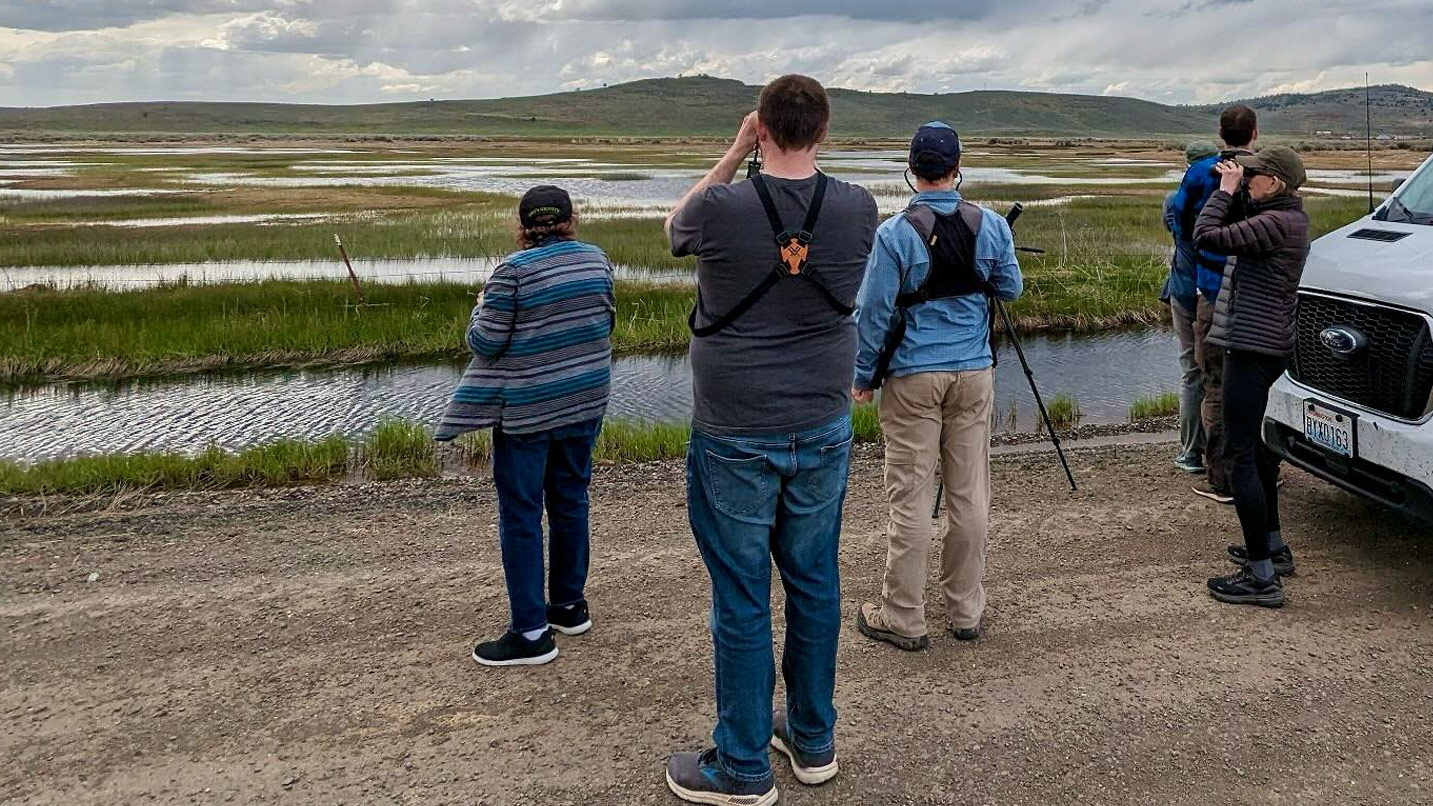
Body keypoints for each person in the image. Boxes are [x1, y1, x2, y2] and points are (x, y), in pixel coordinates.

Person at [662, 74, 878, 806]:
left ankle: (743, 766)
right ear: (822, 129)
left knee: (743, 595)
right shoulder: (858, 205)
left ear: (763, 128)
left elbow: (672, 234)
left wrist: (732, 150)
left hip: (734, 427)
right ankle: (811, 741)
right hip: (820, 420)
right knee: (814, 580)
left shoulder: (722, 206)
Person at [848, 121, 1023, 651]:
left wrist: (862, 377)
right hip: (974, 373)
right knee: (970, 494)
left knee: (910, 498)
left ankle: (904, 616)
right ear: (956, 168)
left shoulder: (895, 234)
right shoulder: (991, 225)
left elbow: (872, 313)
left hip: (912, 377)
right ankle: (966, 610)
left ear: (912, 171)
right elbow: (1010, 288)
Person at [434, 185, 616, 666]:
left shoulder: (511, 272)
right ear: (571, 220)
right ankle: (569, 607)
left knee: (520, 513)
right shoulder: (597, 260)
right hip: (585, 401)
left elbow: (485, 343)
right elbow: (605, 321)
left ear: (522, 227)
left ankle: (532, 634)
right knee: (571, 499)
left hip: (528, 411)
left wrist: (479, 304)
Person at [1193, 145, 1310, 607]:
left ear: (1275, 183)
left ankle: (1262, 578)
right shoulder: (1287, 219)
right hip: (1268, 344)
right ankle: (1273, 548)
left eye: (1254, 176)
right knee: (1259, 451)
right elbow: (1238, 225)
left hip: (1252, 347)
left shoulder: (1276, 225)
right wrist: (1239, 187)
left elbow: (1207, 234)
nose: (1247, 181)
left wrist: (1222, 190)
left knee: (1238, 452)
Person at [1169, 105, 1259, 504]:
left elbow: (1189, 228)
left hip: (1209, 287)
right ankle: (1257, 470)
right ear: (1254, 133)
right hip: (1259, 290)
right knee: (1256, 381)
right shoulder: (1269, 171)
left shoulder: (1200, 173)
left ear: (1221, 133)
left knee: (1214, 382)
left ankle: (1222, 476)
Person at [1162, 140, 1219, 474]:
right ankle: (1219, 451)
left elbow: (1175, 231)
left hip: (1184, 290)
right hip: (1216, 294)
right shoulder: (1228, 200)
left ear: (1188, 165)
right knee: (1219, 372)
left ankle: (1190, 453)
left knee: (1191, 371)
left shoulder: (1174, 200)